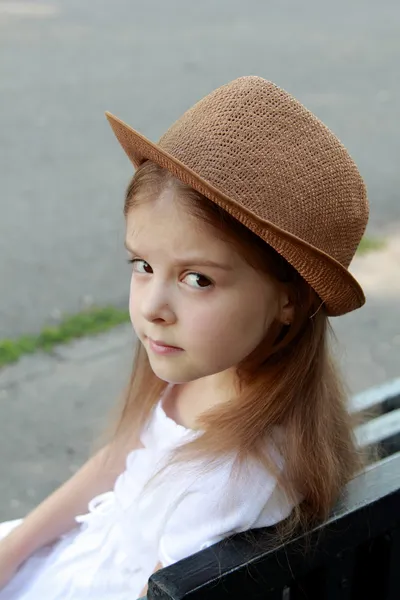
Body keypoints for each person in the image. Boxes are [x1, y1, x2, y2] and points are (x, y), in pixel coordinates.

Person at [0, 76, 369, 599]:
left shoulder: (229, 483)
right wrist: (11, 552)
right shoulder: (214, 370)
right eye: (143, 265)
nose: (152, 309)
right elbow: (117, 462)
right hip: (77, 559)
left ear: (292, 299)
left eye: (198, 279)